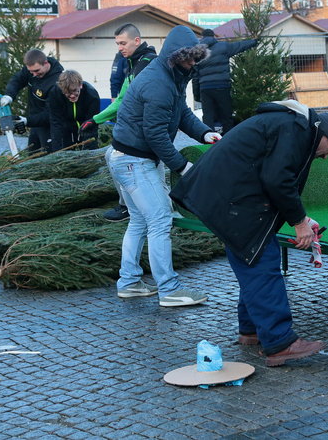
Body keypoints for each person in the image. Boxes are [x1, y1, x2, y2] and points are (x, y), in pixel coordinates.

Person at [171, 101, 328, 366]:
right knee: (262, 264)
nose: (326, 156)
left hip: (224, 195)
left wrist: (301, 218)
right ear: (324, 134)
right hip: (229, 199)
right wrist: (299, 222)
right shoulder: (294, 129)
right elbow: (278, 179)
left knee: (251, 259)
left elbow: (274, 176)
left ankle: (251, 330)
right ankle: (280, 342)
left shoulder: (291, 125)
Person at [106, 26, 221, 307]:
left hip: (125, 157)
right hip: (134, 161)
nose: (193, 63)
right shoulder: (158, 82)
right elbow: (155, 134)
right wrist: (183, 167)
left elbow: (180, 112)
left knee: (139, 221)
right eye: (189, 58)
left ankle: (130, 282)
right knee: (159, 220)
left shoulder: (172, 74)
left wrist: (205, 133)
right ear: (176, 56)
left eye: (196, 58)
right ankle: (170, 290)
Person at [84, 23, 159, 222]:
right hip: (138, 128)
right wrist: (95, 119)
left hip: (150, 130)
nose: (119, 48)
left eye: (123, 43)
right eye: (117, 44)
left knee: (116, 157)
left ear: (137, 41)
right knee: (111, 155)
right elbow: (121, 100)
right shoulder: (133, 63)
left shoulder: (149, 63)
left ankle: (136, 208)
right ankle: (128, 206)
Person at [0, 48, 65, 153]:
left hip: (51, 127)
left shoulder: (57, 83)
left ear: (46, 63)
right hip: (35, 125)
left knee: (47, 159)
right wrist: (9, 96)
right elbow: (17, 80)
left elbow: (51, 114)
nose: (33, 74)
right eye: (31, 71)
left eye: (36, 71)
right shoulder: (31, 71)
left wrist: (27, 121)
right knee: (32, 156)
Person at [193, 28, 258, 134]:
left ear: (202, 37)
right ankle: (227, 139)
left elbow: (195, 76)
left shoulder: (198, 52)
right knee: (226, 115)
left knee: (208, 116)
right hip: (222, 85)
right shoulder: (223, 46)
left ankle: (208, 142)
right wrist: (254, 41)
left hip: (205, 88)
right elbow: (240, 45)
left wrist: (196, 94)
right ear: (213, 36)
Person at [47, 70, 101, 152]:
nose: (72, 95)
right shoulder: (54, 94)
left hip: (85, 125)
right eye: (67, 93)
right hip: (66, 128)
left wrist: (89, 149)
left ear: (80, 85)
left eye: (75, 91)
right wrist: (57, 151)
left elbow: (92, 124)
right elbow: (56, 123)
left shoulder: (91, 95)